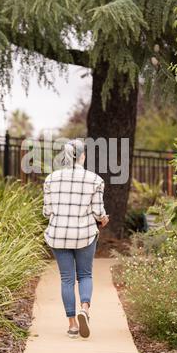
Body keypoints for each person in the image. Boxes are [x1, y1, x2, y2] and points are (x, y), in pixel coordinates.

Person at [42, 139, 109, 339]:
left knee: (67, 279)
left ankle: (72, 325)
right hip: (84, 235)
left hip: (59, 235)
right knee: (85, 275)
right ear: (83, 156)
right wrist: (103, 219)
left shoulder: (51, 179)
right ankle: (85, 309)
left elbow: (47, 212)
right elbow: (98, 212)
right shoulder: (95, 179)